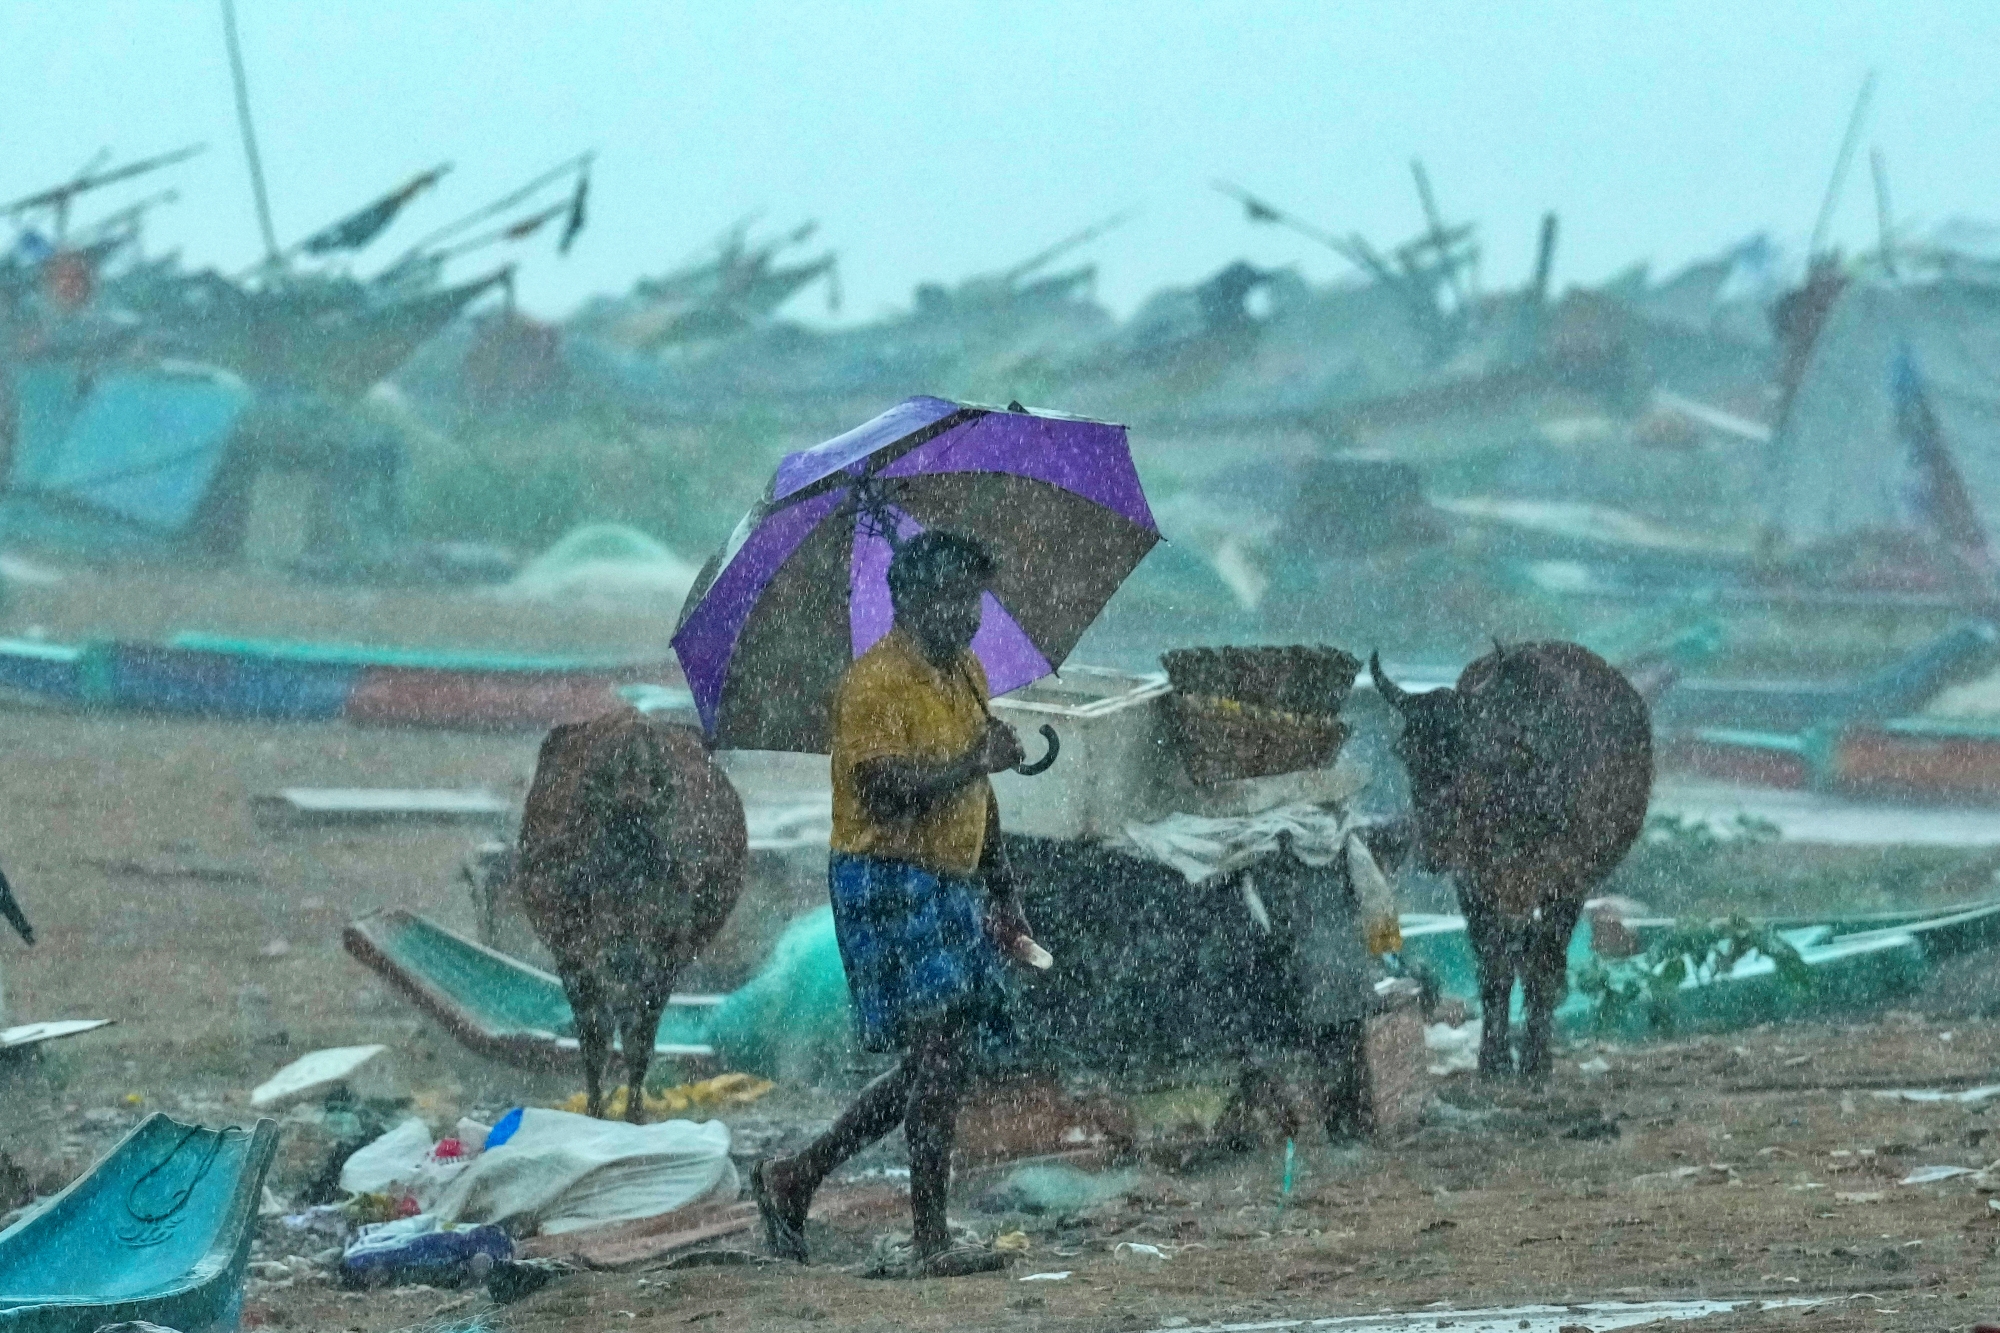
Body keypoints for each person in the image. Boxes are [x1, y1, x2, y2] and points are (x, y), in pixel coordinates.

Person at [752, 529, 1033, 1278]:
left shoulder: (966, 673)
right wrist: (975, 757)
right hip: (885, 873)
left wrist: (1003, 887)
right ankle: (929, 1237)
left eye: (971, 601)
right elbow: (885, 789)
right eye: (945, 599)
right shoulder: (872, 685)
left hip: (951, 876)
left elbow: (981, 792)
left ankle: (795, 1178)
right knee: (937, 1054)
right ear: (905, 600)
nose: (963, 617)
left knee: (939, 1061)